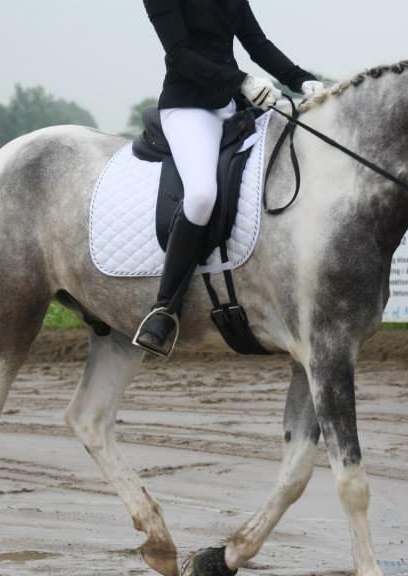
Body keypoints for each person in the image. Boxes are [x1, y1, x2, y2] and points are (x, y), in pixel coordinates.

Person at [134, 0, 325, 357]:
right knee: (203, 195)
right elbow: (180, 55)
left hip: (232, 105)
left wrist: (303, 79)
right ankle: (163, 309)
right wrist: (243, 80)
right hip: (188, 107)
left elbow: (257, 44)